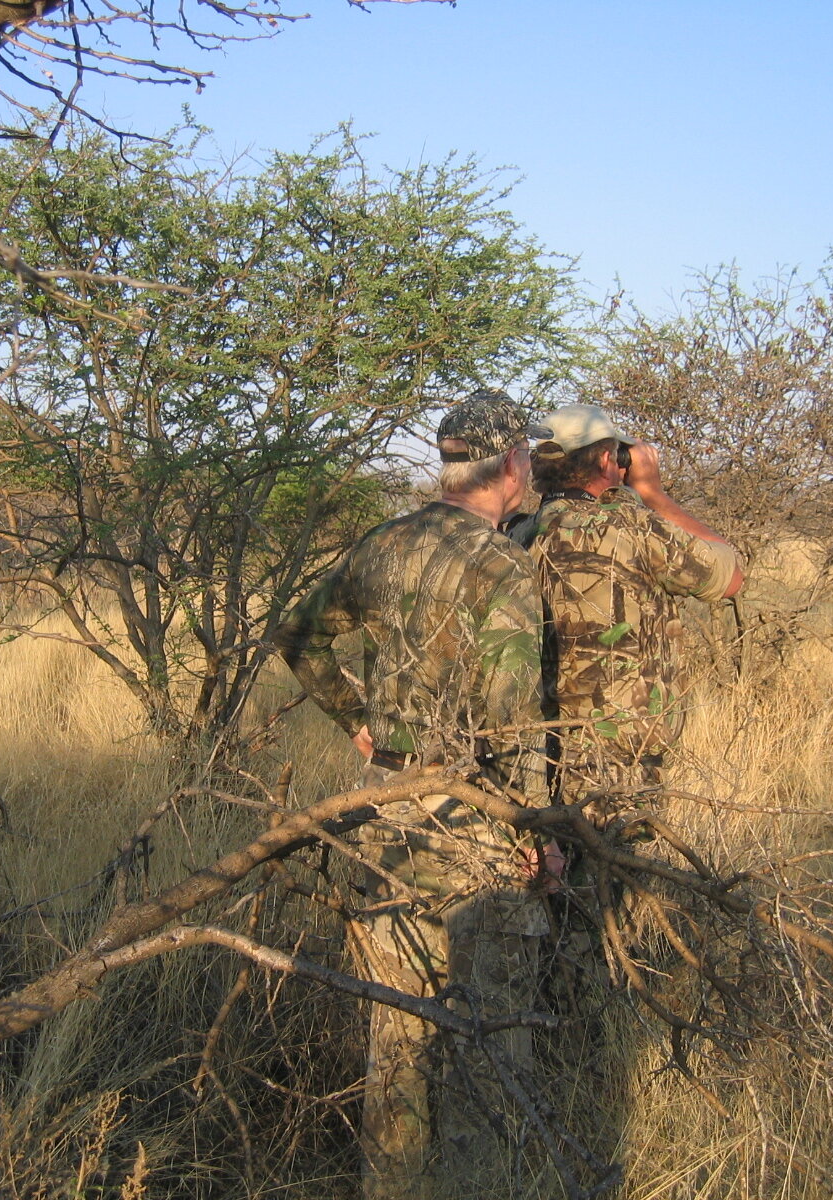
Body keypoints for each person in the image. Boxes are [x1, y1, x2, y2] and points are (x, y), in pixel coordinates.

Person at [273, 390, 552, 1200]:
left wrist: (360, 725)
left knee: (396, 1034)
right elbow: (511, 721)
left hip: (390, 802)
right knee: (486, 1034)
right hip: (476, 810)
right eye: (527, 456)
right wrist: (533, 829)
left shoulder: (384, 544)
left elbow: (298, 635)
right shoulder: (501, 563)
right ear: (510, 464)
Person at [508, 403, 743, 818]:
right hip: (620, 743)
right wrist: (653, 492)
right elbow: (729, 577)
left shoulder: (521, 534)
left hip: (543, 740)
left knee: (563, 860)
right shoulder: (634, 526)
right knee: (616, 864)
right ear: (606, 460)